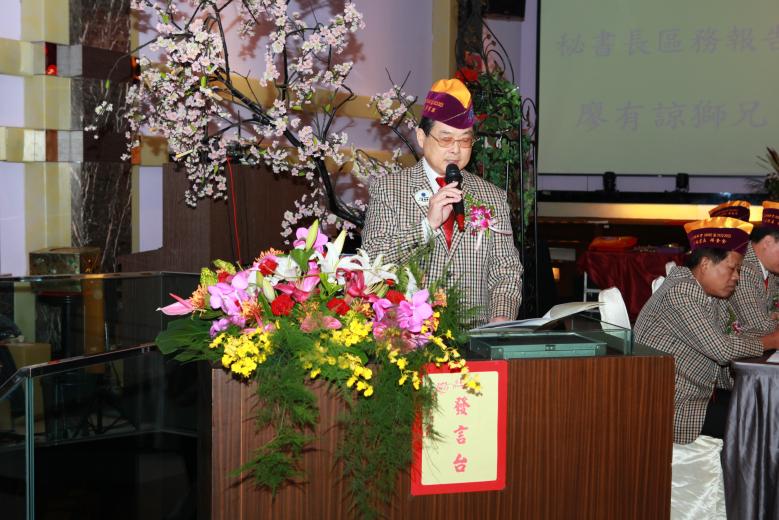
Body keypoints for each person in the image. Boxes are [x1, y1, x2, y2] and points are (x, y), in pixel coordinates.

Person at [361, 78, 523, 327]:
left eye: (465, 140)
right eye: (446, 139)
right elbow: (372, 262)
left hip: (476, 333)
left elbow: (506, 270)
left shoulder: (492, 197)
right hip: (409, 335)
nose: (456, 150)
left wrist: (501, 319)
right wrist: (427, 226)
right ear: (421, 137)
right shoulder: (389, 190)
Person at [634, 217, 779, 444]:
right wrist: (771, 341)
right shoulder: (681, 292)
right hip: (674, 407)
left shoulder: (708, 293)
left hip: (701, 395)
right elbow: (721, 349)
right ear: (705, 265)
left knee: (765, 409)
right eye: (732, 269)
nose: (737, 277)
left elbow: (731, 339)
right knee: (764, 424)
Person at [725, 201, 779, 335]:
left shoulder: (770, 267)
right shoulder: (742, 268)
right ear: (768, 242)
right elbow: (760, 327)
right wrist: (772, 317)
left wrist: (774, 316)